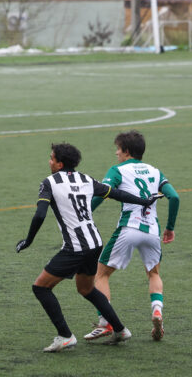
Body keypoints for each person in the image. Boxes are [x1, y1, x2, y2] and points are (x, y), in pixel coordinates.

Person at [15, 143, 158, 353]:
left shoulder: (49, 183)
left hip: (76, 247)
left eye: (51, 158)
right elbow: (116, 193)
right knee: (86, 289)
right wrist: (144, 201)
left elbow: (40, 214)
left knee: (41, 288)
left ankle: (65, 336)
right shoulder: (86, 179)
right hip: (94, 243)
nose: (49, 161)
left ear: (59, 163)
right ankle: (120, 330)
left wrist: (28, 240)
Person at [83, 130, 180, 342]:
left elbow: (103, 192)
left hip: (129, 228)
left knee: (100, 274)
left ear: (126, 151)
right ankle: (157, 310)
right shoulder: (155, 171)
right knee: (153, 274)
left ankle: (105, 322)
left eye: (118, 149)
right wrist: (170, 227)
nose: (116, 153)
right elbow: (174, 197)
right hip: (152, 231)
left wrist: (85, 214)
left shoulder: (118, 170)